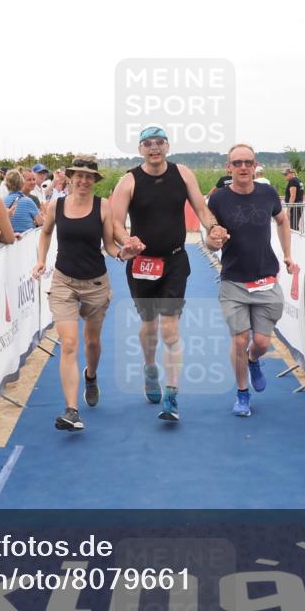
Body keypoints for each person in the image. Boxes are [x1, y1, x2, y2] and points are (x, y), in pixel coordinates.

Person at [110, 125, 228, 422]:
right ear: (140, 149)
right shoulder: (128, 181)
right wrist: (127, 241)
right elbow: (114, 222)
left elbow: (202, 209)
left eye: (160, 143)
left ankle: (172, 394)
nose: (154, 148)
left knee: (169, 328)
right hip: (142, 264)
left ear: (167, 146)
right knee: (149, 326)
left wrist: (212, 229)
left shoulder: (182, 173)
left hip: (175, 261)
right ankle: (150, 369)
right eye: (148, 143)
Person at [32, 154, 142, 432]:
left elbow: (110, 245)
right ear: (70, 177)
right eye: (78, 175)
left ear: (94, 180)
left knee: (92, 342)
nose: (83, 180)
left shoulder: (103, 207)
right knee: (69, 344)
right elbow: (45, 233)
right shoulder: (56, 205)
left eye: (88, 176)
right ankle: (71, 410)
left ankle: (91, 376)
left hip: (95, 284)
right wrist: (41, 259)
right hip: (63, 282)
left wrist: (124, 254)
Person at [206, 144, 294, 417]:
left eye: (248, 162)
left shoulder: (268, 193)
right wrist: (213, 240)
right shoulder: (218, 199)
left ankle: (254, 360)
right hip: (233, 281)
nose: (243, 167)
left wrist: (288, 254)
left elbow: (282, 220)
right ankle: (242, 394)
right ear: (228, 168)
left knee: (261, 344)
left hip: (265, 278)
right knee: (239, 340)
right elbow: (209, 240)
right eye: (237, 163)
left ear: (255, 166)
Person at [3, 169, 43, 234]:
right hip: (26, 239)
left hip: (9, 240)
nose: (32, 182)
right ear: (22, 183)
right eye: (29, 180)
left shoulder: (2, 201)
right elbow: (41, 223)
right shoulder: (28, 201)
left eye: (33, 179)